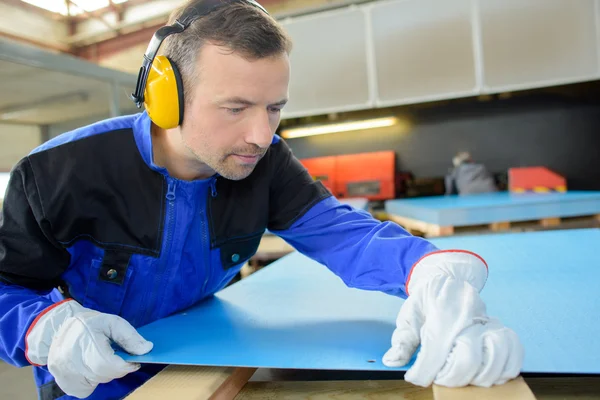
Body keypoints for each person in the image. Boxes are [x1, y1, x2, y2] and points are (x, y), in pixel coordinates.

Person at [0, 1, 523, 399]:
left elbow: (346, 233)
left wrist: (433, 273)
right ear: (166, 95)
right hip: (93, 382)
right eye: (236, 107)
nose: (260, 134)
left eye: (274, 108)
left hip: (207, 366)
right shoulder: (57, 174)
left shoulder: (265, 162)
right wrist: (43, 326)